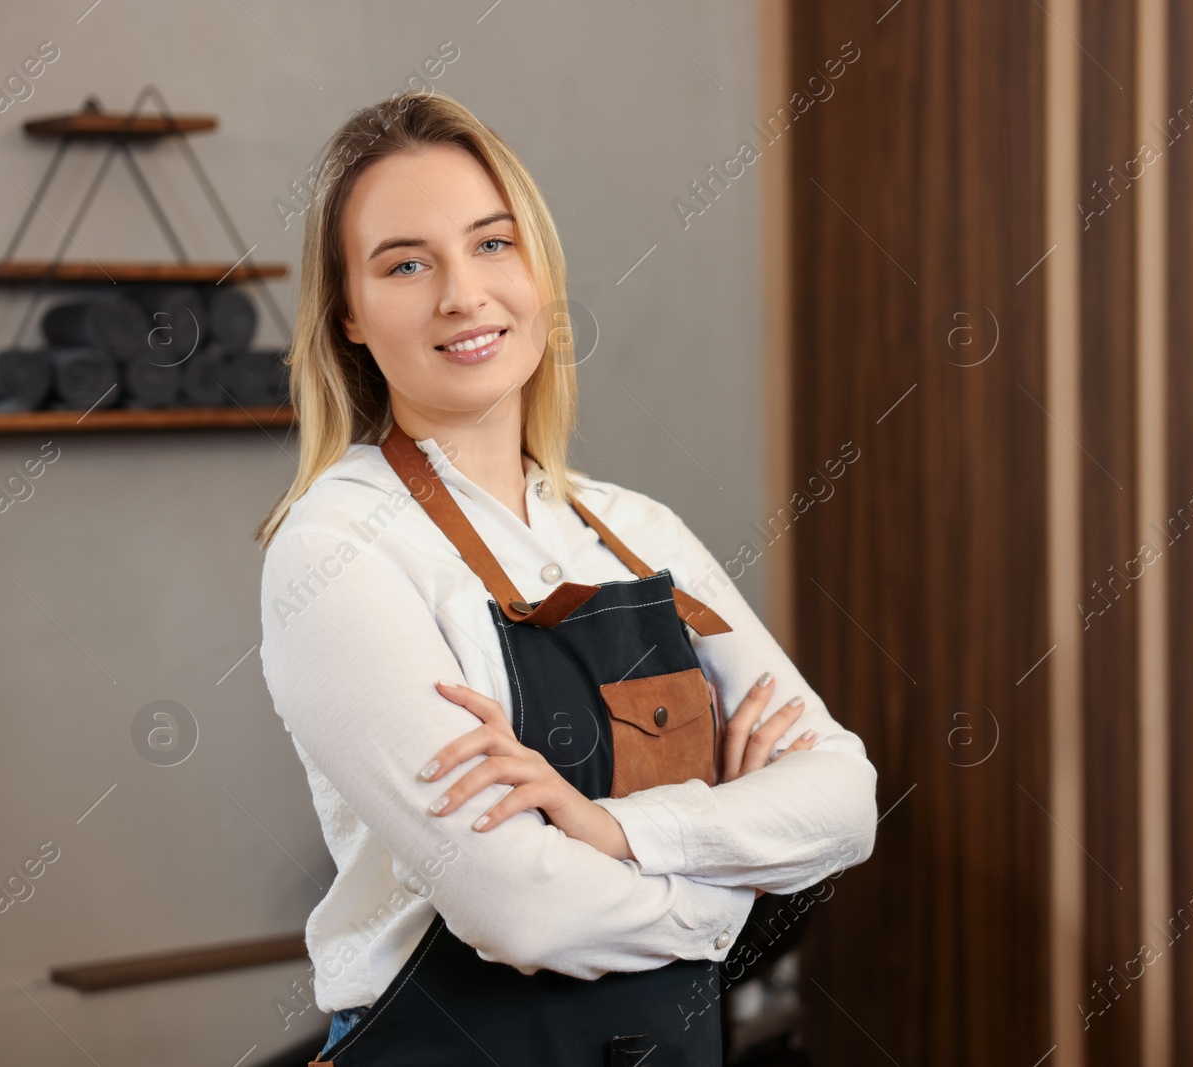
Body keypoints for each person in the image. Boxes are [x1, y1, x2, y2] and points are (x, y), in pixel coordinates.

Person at [254, 91, 878, 1066]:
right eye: (407, 264)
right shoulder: (336, 546)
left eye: (492, 244)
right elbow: (523, 909)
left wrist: (607, 828)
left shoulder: (636, 530)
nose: (463, 294)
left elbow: (844, 798)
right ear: (348, 320)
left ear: (538, 268)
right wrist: (743, 878)